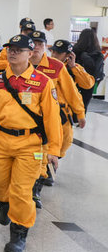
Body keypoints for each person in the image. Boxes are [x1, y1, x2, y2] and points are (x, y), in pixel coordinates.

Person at [0, 34, 62, 252]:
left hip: (30, 143)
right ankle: (3, 203)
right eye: (10, 49)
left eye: (18, 50)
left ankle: (19, 232)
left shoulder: (43, 82)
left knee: (22, 191)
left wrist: (54, 150)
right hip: (1, 139)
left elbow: (52, 118)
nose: (12, 52)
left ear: (30, 55)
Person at [28, 30, 84, 199]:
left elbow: (71, 92)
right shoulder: (20, 64)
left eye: (40, 44)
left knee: (53, 147)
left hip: (52, 116)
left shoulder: (56, 66)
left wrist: (80, 113)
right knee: (32, 152)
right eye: (34, 43)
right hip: (27, 116)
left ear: (46, 46)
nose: (37, 47)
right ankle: (36, 179)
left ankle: (40, 180)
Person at [73, 27, 104, 111]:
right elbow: (97, 70)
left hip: (75, 80)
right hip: (90, 81)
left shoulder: (75, 51)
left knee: (73, 101)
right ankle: (81, 120)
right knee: (85, 103)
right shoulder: (98, 54)